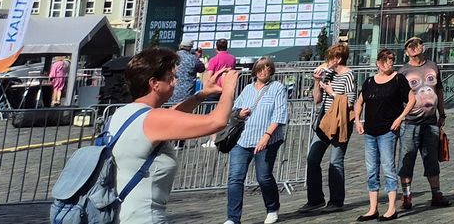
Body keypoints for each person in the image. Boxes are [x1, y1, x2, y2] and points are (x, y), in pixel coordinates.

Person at [113, 48, 239, 224]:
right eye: (170, 78)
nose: (175, 82)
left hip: (121, 215)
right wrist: (229, 89)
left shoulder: (123, 114)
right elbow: (216, 122)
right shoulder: (154, 119)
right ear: (154, 83)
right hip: (145, 218)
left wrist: (202, 94)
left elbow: (171, 115)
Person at [226, 56, 290, 224]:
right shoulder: (247, 88)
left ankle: (272, 207)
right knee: (235, 178)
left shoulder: (277, 88)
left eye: (267, 68)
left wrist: (266, 136)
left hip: (267, 140)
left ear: (271, 70)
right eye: (260, 68)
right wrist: (239, 113)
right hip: (242, 139)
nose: (263, 71)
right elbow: (234, 108)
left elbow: (280, 114)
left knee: (264, 177)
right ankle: (233, 218)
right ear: (255, 70)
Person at [356, 48, 413, 221]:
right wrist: (357, 120)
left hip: (388, 131)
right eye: (387, 59)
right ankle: (373, 208)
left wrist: (401, 117)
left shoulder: (398, 79)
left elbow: (412, 99)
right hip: (370, 131)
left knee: (388, 168)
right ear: (378, 63)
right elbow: (360, 102)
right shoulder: (369, 82)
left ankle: (391, 208)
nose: (390, 62)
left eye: (392, 59)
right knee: (371, 169)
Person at [396, 38, 451, 210]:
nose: (413, 48)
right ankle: (406, 196)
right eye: (410, 46)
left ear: (423, 47)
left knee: (431, 159)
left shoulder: (433, 66)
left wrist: (441, 113)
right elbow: (398, 98)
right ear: (406, 52)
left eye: (416, 45)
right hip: (410, 123)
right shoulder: (403, 72)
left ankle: (436, 193)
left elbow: (439, 90)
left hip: (431, 122)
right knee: (407, 159)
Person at [302, 43, 357, 214]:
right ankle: (315, 199)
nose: (327, 62)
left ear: (338, 59)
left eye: (330, 58)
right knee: (312, 159)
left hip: (340, 122)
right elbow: (317, 99)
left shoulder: (349, 76)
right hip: (324, 121)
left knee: (335, 162)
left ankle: (336, 201)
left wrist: (332, 92)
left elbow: (349, 102)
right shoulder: (328, 75)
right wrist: (317, 82)